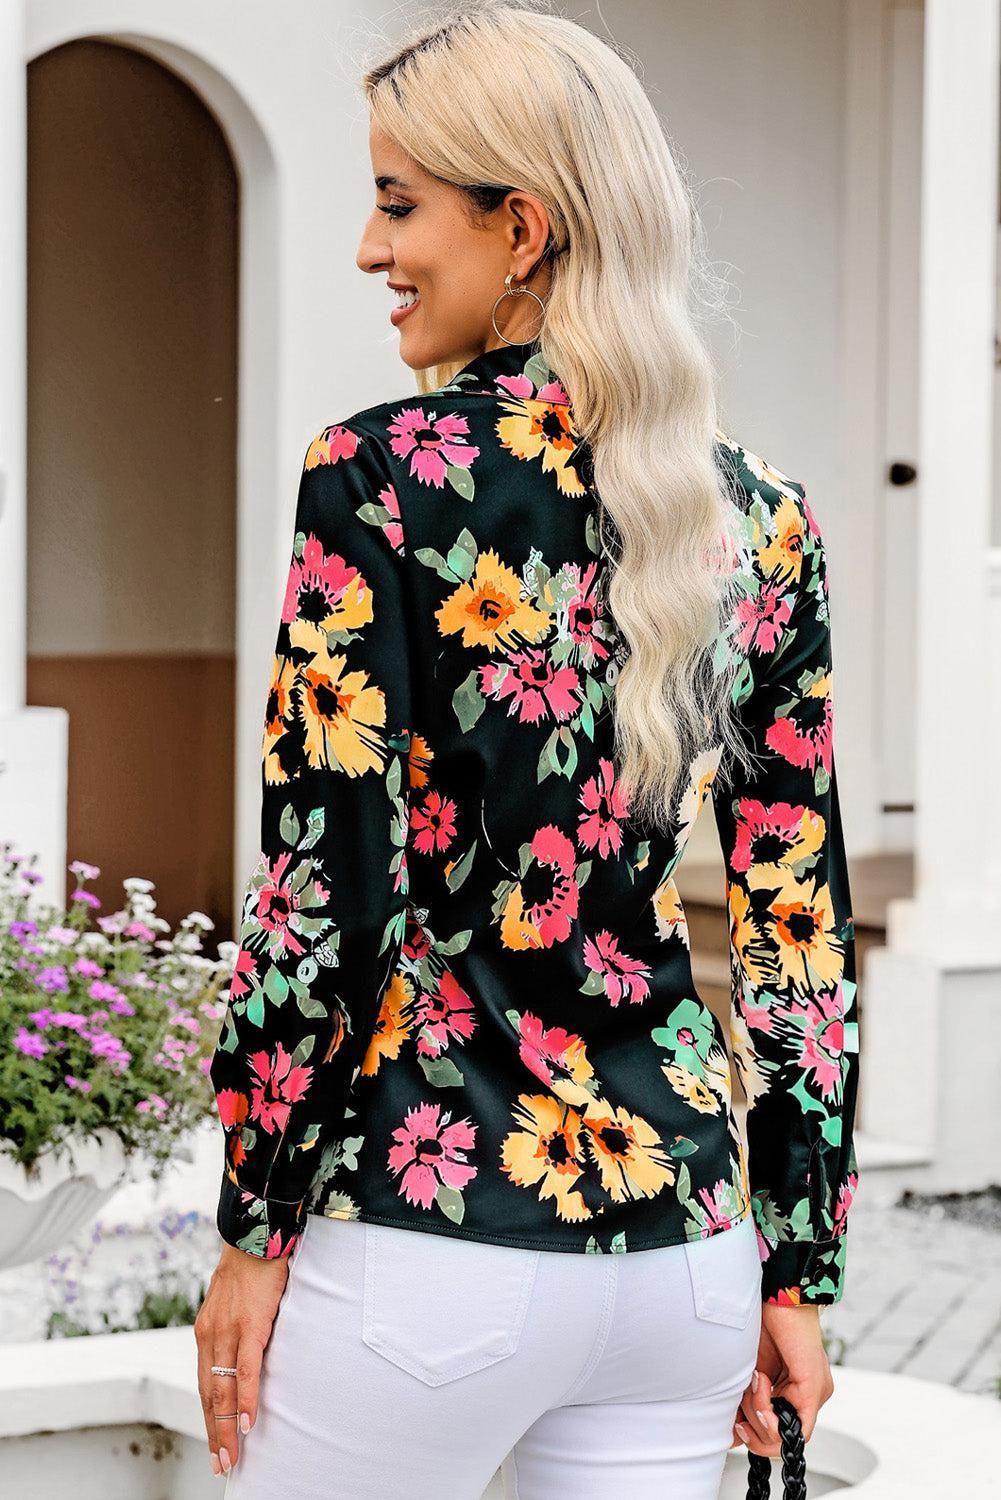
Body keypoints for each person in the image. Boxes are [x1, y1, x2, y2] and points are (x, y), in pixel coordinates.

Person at [194, 3, 860, 1495]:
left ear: (523, 226)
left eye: (396, 202)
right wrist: (798, 1269)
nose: (372, 251)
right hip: (683, 1260)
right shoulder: (762, 519)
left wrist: (253, 1222)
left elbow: (327, 900)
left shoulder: (377, 478)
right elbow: (796, 935)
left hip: (426, 1244)